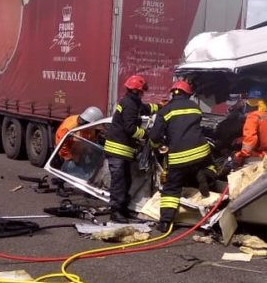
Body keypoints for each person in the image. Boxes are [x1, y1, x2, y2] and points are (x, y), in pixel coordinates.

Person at [148, 80, 217, 233]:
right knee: (210, 165)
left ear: (173, 93)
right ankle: (203, 175)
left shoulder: (165, 110)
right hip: (201, 151)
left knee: (171, 188)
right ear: (188, 94)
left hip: (179, 157)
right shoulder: (195, 107)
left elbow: (154, 136)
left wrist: (156, 147)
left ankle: (165, 222)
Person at [105, 74, 159, 223]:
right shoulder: (129, 104)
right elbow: (130, 129)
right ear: (136, 91)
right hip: (118, 150)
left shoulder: (132, 102)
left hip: (122, 151)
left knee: (126, 182)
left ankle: (122, 209)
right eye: (142, 91)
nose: (143, 94)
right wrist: (146, 134)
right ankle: (115, 213)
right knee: (119, 183)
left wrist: (160, 107)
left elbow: (146, 108)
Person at [234, 86, 267, 165]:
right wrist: (242, 139)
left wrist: (241, 154)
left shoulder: (253, 117)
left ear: (252, 103)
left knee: (237, 161)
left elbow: (250, 140)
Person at [54, 106, 104, 180]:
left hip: (77, 146)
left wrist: (90, 151)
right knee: (70, 164)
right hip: (66, 147)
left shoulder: (87, 124)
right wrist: (69, 156)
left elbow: (91, 138)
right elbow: (61, 144)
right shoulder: (68, 128)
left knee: (83, 163)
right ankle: (61, 181)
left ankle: (84, 179)